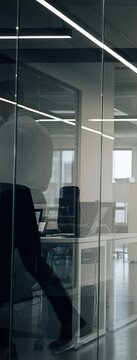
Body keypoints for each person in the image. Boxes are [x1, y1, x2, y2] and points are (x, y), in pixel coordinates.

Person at [0, 80, 81, 355]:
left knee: (14, 264)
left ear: (9, 98)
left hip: (11, 196)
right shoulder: (42, 130)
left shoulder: (11, 129)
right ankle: (70, 319)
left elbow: (2, 170)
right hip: (33, 197)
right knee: (36, 265)